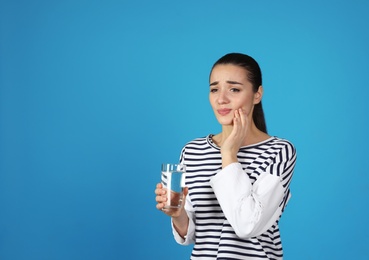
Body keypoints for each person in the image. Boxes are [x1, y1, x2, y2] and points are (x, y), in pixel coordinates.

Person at [155, 53, 297, 259]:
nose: (221, 99)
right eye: (214, 89)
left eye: (234, 89)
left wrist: (229, 153)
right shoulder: (192, 151)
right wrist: (178, 215)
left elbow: (247, 226)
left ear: (257, 94)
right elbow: (192, 234)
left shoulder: (279, 151)